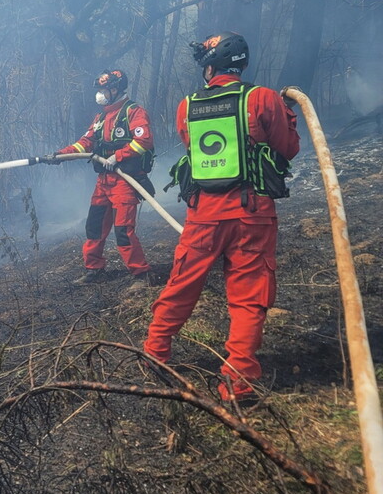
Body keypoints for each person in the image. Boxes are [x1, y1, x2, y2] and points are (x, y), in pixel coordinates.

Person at [143, 31, 300, 403]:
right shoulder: (261, 98)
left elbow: (194, 150)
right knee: (248, 296)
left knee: (182, 283)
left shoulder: (187, 106)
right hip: (252, 215)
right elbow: (288, 149)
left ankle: (154, 352)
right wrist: (284, 113)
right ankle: (238, 381)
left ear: (210, 67)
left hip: (203, 216)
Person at [56, 69, 156, 290]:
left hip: (125, 181)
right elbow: (86, 142)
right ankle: (95, 270)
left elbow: (144, 140)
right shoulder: (100, 118)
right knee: (94, 226)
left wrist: (117, 156)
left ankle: (141, 274)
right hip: (104, 181)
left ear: (115, 89)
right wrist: (61, 155)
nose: (100, 94)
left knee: (123, 230)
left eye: (104, 90)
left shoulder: (134, 112)